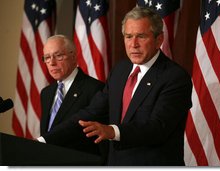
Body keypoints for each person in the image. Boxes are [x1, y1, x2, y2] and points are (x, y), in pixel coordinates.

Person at [38, 7, 193, 166]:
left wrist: (113, 131)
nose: (134, 44)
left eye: (141, 36)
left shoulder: (175, 77)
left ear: (159, 40)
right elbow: (91, 112)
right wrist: (44, 140)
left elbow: (158, 127)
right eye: (128, 36)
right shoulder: (120, 70)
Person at [40, 35, 105, 155]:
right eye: (47, 58)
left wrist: (42, 141)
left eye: (58, 56)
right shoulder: (46, 93)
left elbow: (79, 129)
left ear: (74, 57)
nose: (52, 63)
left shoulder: (95, 88)